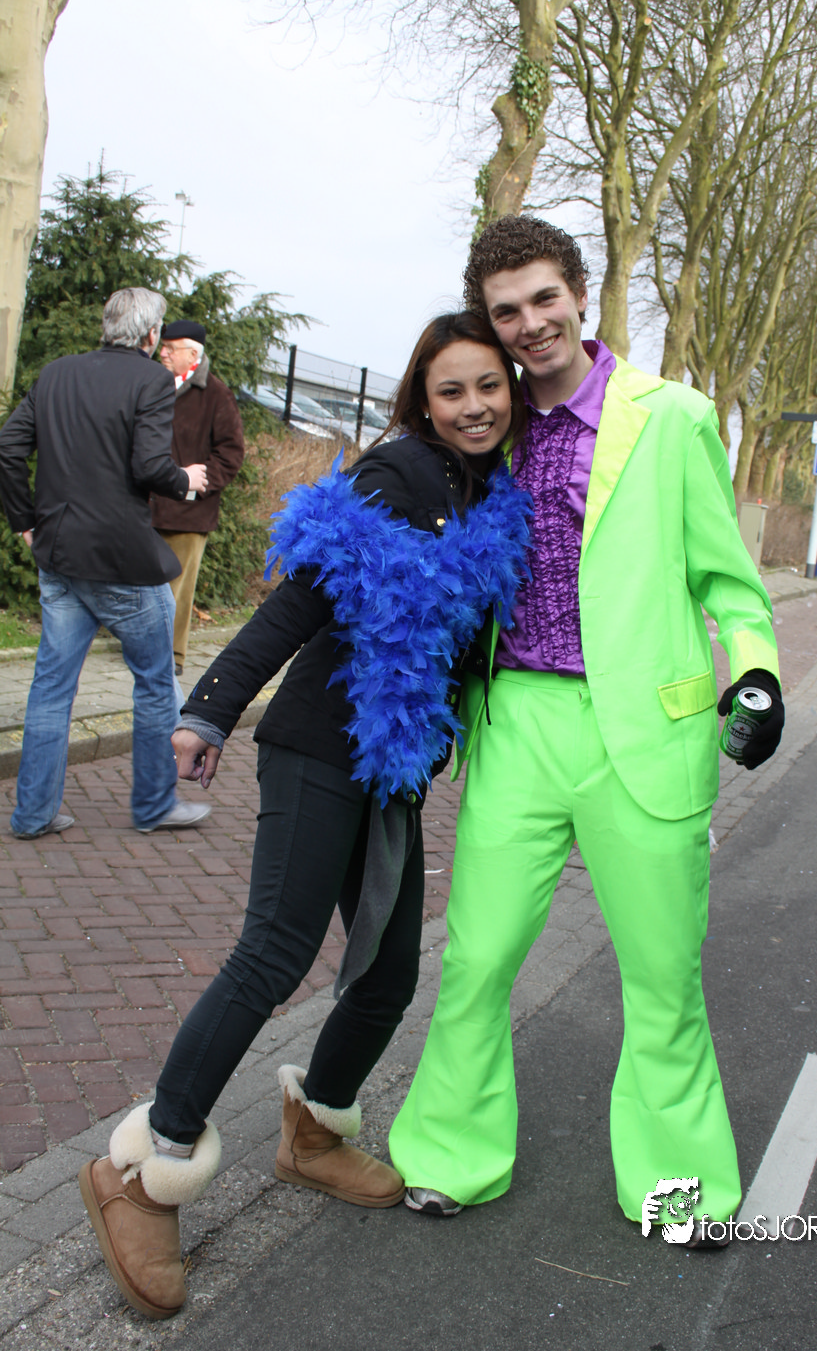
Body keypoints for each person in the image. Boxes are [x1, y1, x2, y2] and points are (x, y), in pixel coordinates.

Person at [77, 311, 532, 1320]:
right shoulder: (397, 474)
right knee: (274, 953)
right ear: (422, 400)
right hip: (319, 744)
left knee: (388, 970)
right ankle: (145, 1172)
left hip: (394, 763)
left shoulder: (494, 495)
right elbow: (300, 602)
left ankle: (315, 1131)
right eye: (450, 390)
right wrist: (209, 708)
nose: (472, 405)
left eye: (487, 386)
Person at [389, 216, 784, 1244]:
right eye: (506, 311)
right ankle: (449, 1154)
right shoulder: (489, 425)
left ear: (578, 291)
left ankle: (678, 1190)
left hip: (644, 736)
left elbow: (732, 587)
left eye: (542, 298)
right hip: (518, 723)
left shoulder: (674, 418)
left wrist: (756, 676)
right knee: (477, 960)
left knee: (661, 977)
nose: (529, 323)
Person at [0, 288, 212, 839]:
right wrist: (185, 479)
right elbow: (149, 465)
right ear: (151, 335)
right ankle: (154, 805)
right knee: (156, 683)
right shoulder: (151, 380)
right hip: (121, 561)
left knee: (51, 688)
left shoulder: (57, 373)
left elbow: (8, 447)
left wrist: (24, 520)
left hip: (58, 555)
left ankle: (33, 814)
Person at [151, 321, 245, 675]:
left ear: (193, 354)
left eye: (170, 348)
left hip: (188, 512)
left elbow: (231, 453)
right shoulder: (153, 384)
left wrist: (195, 484)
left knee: (176, 589)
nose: (162, 353)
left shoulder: (216, 395)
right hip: (145, 507)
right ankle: (143, 650)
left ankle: (172, 657)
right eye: (163, 346)